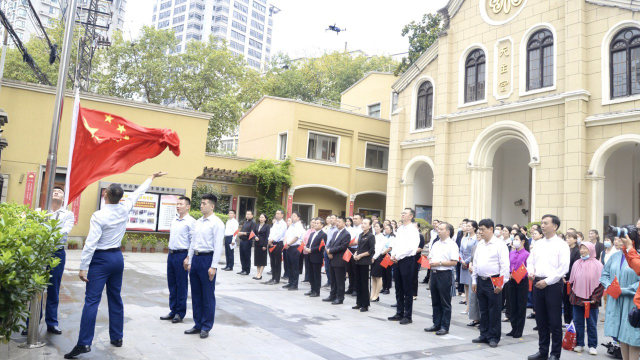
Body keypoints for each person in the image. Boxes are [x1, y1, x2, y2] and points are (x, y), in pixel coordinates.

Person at [65, 172, 165, 359]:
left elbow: (91, 243)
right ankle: (117, 337)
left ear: (105, 195)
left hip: (101, 260)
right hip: (117, 258)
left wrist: (83, 266)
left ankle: (84, 343)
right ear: (120, 197)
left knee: (91, 301)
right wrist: (150, 177)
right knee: (115, 297)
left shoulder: (99, 215)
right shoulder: (125, 208)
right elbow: (138, 193)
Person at [26, 186, 75, 335]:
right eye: (53, 190)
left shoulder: (68, 214)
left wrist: (45, 235)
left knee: (53, 289)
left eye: (60, 192)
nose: (56, 192)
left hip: (57, 253)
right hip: (40, 253)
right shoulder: (39, 212)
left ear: (63, 198)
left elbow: (64, 232)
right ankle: (30, 324)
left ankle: (52, 323)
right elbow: (32, 229)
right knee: (36, 288)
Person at [527, 214, 570, 360]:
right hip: (537, 282)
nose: (543, 226)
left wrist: (547, 281)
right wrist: (531, 272)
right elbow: (530, 261)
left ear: (555, 226)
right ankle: (543, 351)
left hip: (553, 285)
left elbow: (563, 268)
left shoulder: (561, 245)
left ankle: (555, 353)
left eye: (546, 223)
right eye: (542, 223)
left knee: (554, 321)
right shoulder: (538, 243)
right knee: (541, 320)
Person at [183, 193, 224, 339]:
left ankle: (206, 326)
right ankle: (197, 324)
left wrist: (213, 266)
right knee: (196, 294)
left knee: (207, 295)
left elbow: (218, 246)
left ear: (212, 206)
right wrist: (189, 258)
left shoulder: (217, 223)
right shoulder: (198, 222)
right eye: (201, 203)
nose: (201, 205)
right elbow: (193, 242)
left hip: (208, 260)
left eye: (204, 203)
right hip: (196, 260)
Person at [470, 218, 510, 348]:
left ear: (491, 229)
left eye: (483, 229)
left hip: (494, 281)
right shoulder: (480, 244)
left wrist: (501, 284)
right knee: (483, 309)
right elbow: (475, 263)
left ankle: (493, 336)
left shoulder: (499, 244)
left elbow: (504, 266)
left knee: (494, 310)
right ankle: (484, 334)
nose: (480, 232)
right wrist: (474, 280)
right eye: (479, 229)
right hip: (481, 280)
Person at [603, 234, 640, 360]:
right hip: (616, 300)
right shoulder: (615, 256)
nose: (618, 241)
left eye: (621, 238)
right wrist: (609, 287)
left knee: (633, 338)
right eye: (617, 238)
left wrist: (623, 290)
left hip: (632, 301)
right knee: (621, 335)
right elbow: (604, 274)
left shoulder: (637, 256)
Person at [161, 196, 195, 324]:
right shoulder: (174, 220)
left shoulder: (191, 222)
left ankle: (180, 313)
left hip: (182, 255)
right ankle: (173, 310)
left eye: (181, 204)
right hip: (171, 254)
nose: (178, 206)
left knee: (181, 285)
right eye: (177, 204)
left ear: (188, 206)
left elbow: (193, 241)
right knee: (172, 283)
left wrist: (188, 258)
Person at [568, 242, 605, 355]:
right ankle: (579, 344)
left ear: (591, 250)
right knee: (578, 322)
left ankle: (592, 345)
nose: (582, 251)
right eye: (581, 248)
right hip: (577, 298)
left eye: (585, 248)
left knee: (592, 323)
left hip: (591, 300)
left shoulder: (598, 265)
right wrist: (572, 296)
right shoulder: (576, 263)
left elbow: (601, 283)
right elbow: (572, 281)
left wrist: (595, 297)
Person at [424, 221, 459, 334]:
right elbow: (431, 257)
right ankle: (436, 323)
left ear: (448, 232)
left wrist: (439, 263)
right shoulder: (436, 243)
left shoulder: (452, 244)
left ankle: (444, 326)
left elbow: (454, 262)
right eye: (438, 229)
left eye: (441, 229)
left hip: (444, 274)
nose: (438, 230)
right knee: (435, 300)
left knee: (445, 301)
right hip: (434, 274)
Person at [388, 209, 420, 325]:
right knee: (398, 287)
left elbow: (412, 247)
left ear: (411, 216)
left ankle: (408, 315)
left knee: (407, 288)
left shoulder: (413, 230)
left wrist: (399, 256)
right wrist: (393, 255)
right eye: (401, 213)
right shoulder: (400, 229)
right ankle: (399, 312)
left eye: (405, 213)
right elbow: (396, 244)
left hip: (407, 260)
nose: (402, 214)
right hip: (397, 260)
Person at [506, 232, 529, 338]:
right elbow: (508, 265)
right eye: (514, 239)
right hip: (511, 281)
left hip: (522, 282)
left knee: (521, 306)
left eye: (517, 239)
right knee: (512, 305)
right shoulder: (511, 253)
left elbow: (527, 269)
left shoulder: (527, 254)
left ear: (523, 241)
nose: (515, 241)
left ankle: (519, 329)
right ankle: (513, 327)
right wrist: (510, 273)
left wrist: (516, 275)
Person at [323, 216, 350, 304]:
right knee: (333, 279)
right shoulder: (335, 233)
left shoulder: (346, 234)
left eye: (339, 222)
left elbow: (343, 246)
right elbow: (330, 243)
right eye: (337, 222)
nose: (337, 223)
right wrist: (328, 251)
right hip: (332, 259)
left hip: (339, 260)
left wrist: (331, 251)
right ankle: (332, 295)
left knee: (340, 280)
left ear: (344, 223)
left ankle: (340, 298)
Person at [353, 218, 375, 312]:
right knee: (358, 282)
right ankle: (359, 302)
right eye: (362, 223)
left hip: (365, 262)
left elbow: (371, 250)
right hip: (358, 261)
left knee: (364, 283)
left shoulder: (371, 236)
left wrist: (361, 255)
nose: (363, 225)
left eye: (365, 223)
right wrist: (355, 254)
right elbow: (359, 247)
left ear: (370, 226)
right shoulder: (361, 235)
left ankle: (365, 305)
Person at [282, 212, 305, 290]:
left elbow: (296, 237)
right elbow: (286, 235)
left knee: (295, 267)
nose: (292, 217)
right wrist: (285, 243)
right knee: (289, 266)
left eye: (294, 216)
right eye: (292, 216)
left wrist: (288, 244)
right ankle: (290, 282)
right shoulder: (291, 225)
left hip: (295, 247)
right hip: (288, 247)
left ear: (298, 218)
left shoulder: (299, 226)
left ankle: (295, 284)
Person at [459, 220, 478, 314]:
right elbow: (460, 250)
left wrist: (466, 261)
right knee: (465, 285)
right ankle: (467, 306)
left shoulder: (476, 239)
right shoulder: (464, 238)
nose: (467, 227)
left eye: (469, 226)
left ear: (474, 228)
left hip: (470, 263)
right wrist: (462, 260)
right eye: (466, 226)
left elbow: (475, 252)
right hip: (463, 263)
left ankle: (472, 307)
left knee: (471, 285)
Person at [563, 232, 581, 325]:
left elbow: (575, 266)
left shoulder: (577, 251)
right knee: (565, 301)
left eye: (570, 238)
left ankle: (573, 321)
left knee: (571, 301)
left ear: (575, 239)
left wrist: (569, 277)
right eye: (567, 238)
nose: (568, 240)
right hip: (564, 278)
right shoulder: (565, 249)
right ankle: (566, 321)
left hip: (572, 279)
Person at [305, 217, 326, 297]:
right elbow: (308, 243)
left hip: (317, 257)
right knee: (310, 274)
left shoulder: (323, 234)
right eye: (315, 223)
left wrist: (311, 250)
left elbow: (321, 246)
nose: (315, 225)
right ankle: (312, 289)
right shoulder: (312, 233)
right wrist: (306, 247)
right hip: (309, 256)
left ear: (322, 225)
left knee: (316, 274)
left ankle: (316, 291)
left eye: (318, 223)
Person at [265, 210, 286, 285]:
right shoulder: (275, 223)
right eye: (276, 213)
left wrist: (272, 240)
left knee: (277, 261)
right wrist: (269, 240)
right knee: (272, 261)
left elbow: (280, 234)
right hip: (271, 243)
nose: (276, 215)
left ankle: (277, 279)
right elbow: (272, 232)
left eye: (278, 213)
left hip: (278, 244)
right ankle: (273, 277)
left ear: (282, 215)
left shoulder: (283, 224)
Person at [371, 222, 389, 302]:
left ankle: (377, 295)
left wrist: (374, 257)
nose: (376, 228)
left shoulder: (382, 237)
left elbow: (379, 249)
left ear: (381, 228)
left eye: (377, 226)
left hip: (378, 258)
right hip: (372, 257)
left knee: (378, 277)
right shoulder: (374, 236)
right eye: (375, 226)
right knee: (373, 277)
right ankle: (373, 294)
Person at [346, 214, 363, 296]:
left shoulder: (362, 229)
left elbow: (358, 241)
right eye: (354, 219)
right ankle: (351, 287)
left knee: (355, 270)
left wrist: (349, 244)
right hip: (349, 249)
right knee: (349, 270)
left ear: (361, 219)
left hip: (357, 250)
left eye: (356, 219)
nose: (354, 220)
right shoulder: (351, 229)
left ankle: (356, 289)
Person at [237, 210, 258, 276]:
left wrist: (243, 233)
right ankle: (243, 269)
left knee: (247, 256)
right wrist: (240, 234)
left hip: (247, 241)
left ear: (252, 215)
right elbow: (242, 230)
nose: (247, 215)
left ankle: (247, 270)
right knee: (242, 255)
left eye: (249, 214)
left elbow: (252, 233)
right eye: (247, 214)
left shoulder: (253, 223)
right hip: (242, 240)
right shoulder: (245, 222)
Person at [253, 213, 270, 280]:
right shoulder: (256, 225)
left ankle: (260, 274)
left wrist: (265, 245)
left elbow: (267, 236)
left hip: (263, 244)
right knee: (257, 259)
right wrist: (255, 237)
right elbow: (253, 233)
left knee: (262, 259)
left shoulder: (267, 226)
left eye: (262, 217)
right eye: (260, 217)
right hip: (257, 244)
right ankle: (257, 273)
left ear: (265, 219)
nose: (261, 218)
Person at [323, 214, 338, 288]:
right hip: (326, 249)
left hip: (332, 250)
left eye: (333, 218)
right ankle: (329, 281)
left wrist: (330, 251)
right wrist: (326, 249)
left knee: (332, 268)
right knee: (327, 267)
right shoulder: (329, 229)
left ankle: (333, 282)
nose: (331, 219)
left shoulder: (337, 229)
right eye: (330, 218)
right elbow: (327, 240)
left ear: (336, 220)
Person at [381, 224, 395, 294]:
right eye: (385, 228)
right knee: (383, 272)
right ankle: (383, 287)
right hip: (382, 255)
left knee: (388, 272)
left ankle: (387, 288)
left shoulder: (392, 237)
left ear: (391, 230)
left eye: (387, 229)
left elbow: (390, 248)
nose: (385, 230)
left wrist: (383, 253)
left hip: (388, 255)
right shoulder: (384, 236)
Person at [413, 223, 425, 299]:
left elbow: (420, 248)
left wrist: (411, 251)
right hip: (408, 257)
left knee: (414, 275)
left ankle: (414, 294)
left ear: (418, 227)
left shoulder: (420, 236)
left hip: (416, 257)